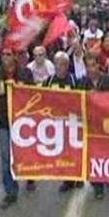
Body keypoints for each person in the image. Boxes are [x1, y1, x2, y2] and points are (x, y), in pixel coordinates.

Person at [0, 47, 35, 209]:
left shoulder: (25, 74)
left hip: (23, 122)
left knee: (26, 152)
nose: (5, 57)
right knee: (6, 157)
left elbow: (34, 95)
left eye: (8, 54)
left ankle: (31, 176)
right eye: (3, 55)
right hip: (4, 122)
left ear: (15, 57)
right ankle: (10, 191)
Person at [44, 51, 81, 193]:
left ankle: (78, 176)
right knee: (63, 152)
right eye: (57, 64)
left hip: (71, 121)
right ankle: (67, 179)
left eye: (63, 64)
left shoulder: (73, 80)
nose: (60, 67)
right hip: (56, 122)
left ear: (67, 65)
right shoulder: (49, 81)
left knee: (74, 151)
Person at [81, 54, 109, 199]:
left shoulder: (108, 79)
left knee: (105, 153)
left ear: (98, 65)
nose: (91, 69)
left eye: (93, 65)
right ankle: (97, 186)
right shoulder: (82, 82)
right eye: (88, 66)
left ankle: (105, 174)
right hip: (90, 124)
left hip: (105, 123)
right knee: (92, 154)